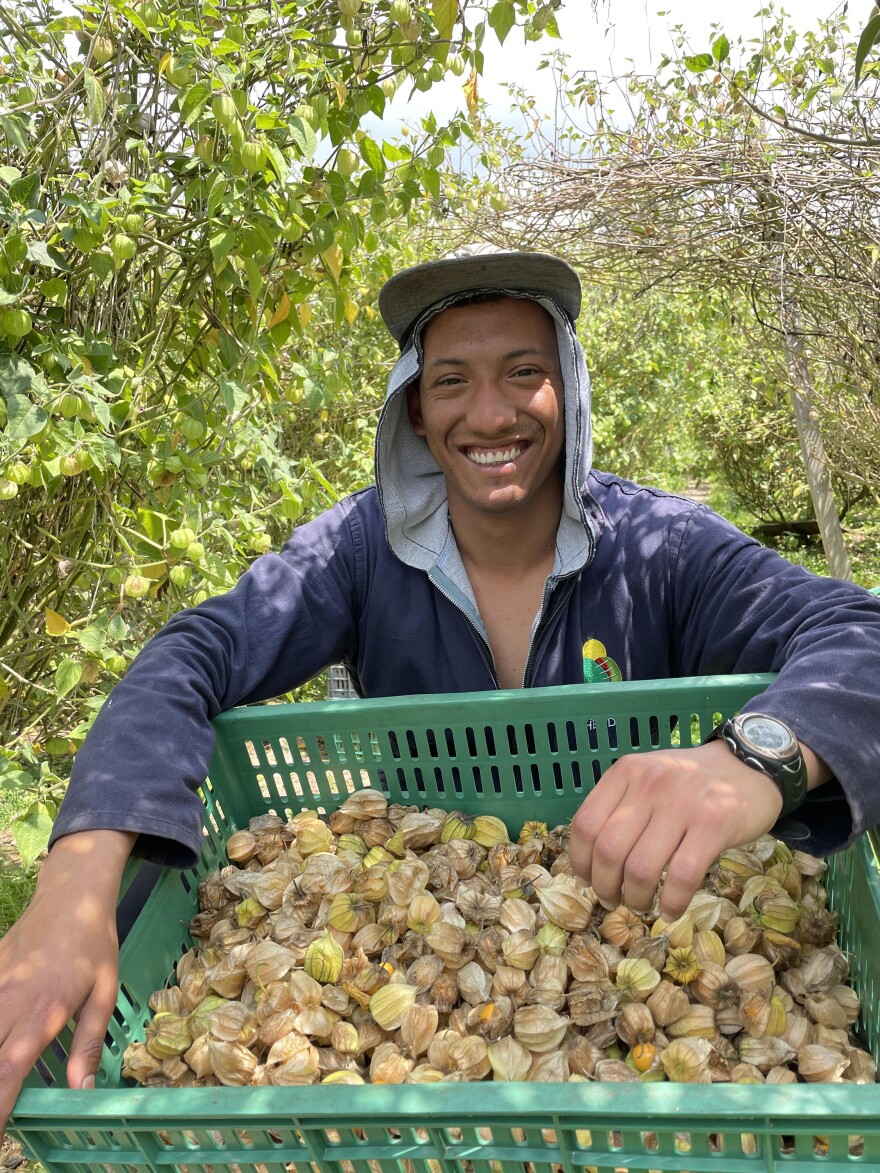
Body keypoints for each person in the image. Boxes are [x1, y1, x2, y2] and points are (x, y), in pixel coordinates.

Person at [1, 246, 879, 1129]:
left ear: (566, 394)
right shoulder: (359, 549)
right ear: (416, 410)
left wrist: (757, 757)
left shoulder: (661, 549)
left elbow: (862, 635)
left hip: (652, 904)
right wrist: (72, 881)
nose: (490, 412)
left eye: (523, 373)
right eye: (452, 380)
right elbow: (196, 650)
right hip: (439, 909)